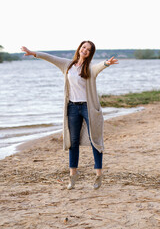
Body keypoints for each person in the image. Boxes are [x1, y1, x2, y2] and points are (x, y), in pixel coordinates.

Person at [21, 41, 118, 190]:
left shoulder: (90, 68)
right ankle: (73, 175)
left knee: (95, 140)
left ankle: (98, 174)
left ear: (90, 53)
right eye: (83, 47)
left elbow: (98, 68)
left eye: (88, 49)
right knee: (73, 142)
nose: (85, 50)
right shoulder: (68, 65)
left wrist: (106, 63)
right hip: (72, 107)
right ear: (79, 48)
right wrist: (34, 53)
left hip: (88, 108)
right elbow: (51, 58)